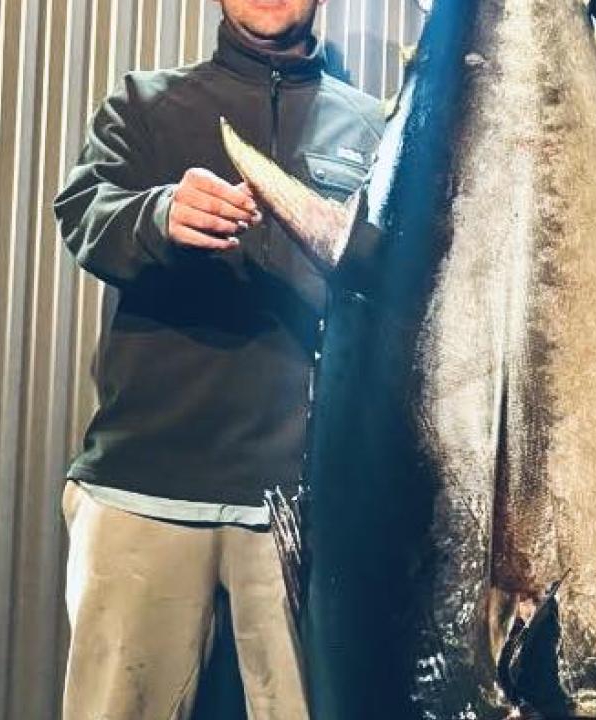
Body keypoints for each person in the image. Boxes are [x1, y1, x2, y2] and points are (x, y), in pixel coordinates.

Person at [52, 0, 382, 716]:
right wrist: (159, 214)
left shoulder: (372, 127)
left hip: (303, 510)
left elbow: (400, 286)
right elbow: (82, 214)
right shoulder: (145, 101)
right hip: (144, 488)